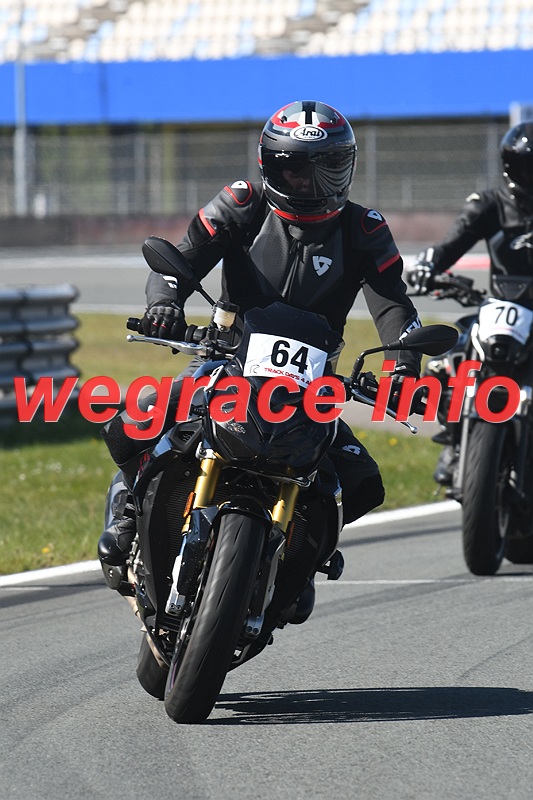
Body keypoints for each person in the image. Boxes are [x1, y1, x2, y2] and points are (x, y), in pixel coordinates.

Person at [98, 100, 422, 606]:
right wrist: (164, 304)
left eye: (327, 168)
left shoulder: (365, 230)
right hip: (225, 358)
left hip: (310, 385)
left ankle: (301, 556)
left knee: (362, 481)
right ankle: (125, 505)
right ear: (269, 164)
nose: (310, 183)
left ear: (348, 168)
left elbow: (394, 305)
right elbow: (178, 262)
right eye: (295, 169)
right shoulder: (242, 203)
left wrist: (404, 367)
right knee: (137, 418)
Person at [405, 119, 533, 485]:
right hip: (503, 309)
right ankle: (456, 442)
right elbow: (451, 243)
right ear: (512, 167)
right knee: (449, 358)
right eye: (528, 167)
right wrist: (429, 265)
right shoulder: (491, 204)